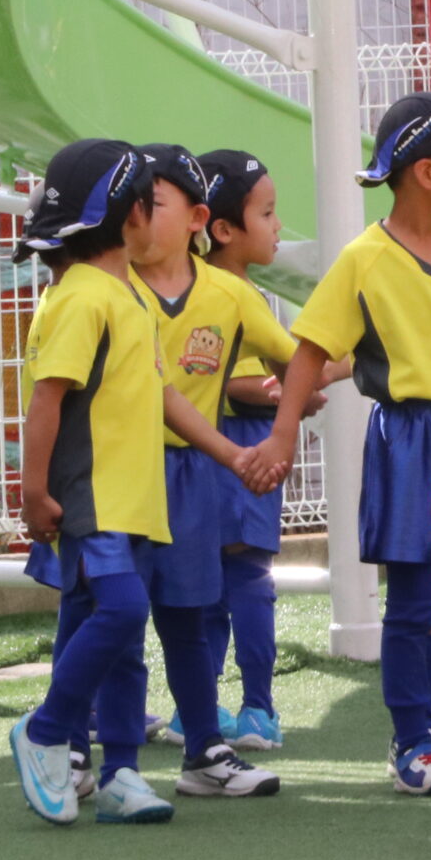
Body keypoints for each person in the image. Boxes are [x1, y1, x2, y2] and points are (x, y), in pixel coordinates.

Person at [251, 92, 431, 795]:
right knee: (416, 601)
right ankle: (414, 739)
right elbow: (311, 349)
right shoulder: (364, 259)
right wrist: (284, 432)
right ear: (426, 172)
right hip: (409, 443)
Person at [7, 139, 180, 827]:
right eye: (155, 202)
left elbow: (153, 396)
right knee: (122, 612)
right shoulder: (82, 297)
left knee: (119, 638)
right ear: (132, 214)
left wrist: (231, 453)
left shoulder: (125, 293)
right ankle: (46, 731)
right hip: (96, 499)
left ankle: (121, 772)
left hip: (134, 501)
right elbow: (47, 399)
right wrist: (33, 490)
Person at [127, 145, 284, 798]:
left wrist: (290, 414)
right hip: (122, 472)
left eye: (149, 202)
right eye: (127, 201)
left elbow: (296, 358)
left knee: (189, 614)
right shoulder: (112, 287)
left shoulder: (229, 294)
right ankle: (91, 748)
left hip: (193, 476)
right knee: (115, 610)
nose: (132, 214)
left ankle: (204, 750)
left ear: (197, 219)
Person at [188, 148, 342, 754]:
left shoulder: (191, 284)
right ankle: (258, 709)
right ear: (224, 228)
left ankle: (196, 708)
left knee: (205, 583)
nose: (279, 226)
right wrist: (365, 358)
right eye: (268, 213)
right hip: (244, 444)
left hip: (197, 451)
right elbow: (298, 370)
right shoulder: (234, 292)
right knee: (250, 575)